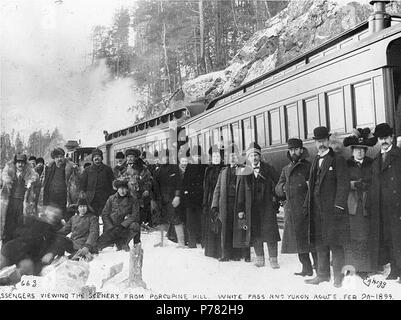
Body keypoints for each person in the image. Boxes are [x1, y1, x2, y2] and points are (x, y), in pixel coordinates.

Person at [304, 126, 350, 288]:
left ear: (328, 140)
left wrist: (339, 206)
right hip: (317, 210)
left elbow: (344, 185)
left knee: (335, 244)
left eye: (323, 141)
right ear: (315, 143)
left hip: (332, 211)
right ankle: (322, 275)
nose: (321, 144)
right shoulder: (315, 160)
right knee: (320, 243)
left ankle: (339, 277)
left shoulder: (338, 160)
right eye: (318, 141)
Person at [275, 138, 317, 276]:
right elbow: (277, 188)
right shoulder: (286, 169)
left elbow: (314, 186)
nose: (293, 152)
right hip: (292, 210)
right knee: (299, 242)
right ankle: (306, 268)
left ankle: (318, 267)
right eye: (291, 150)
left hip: (307, 209)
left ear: (301, 150)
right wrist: (284, 189)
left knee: (311, 241)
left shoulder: (309, 166)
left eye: (296, 149)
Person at [235, 142, 280, 268]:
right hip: (251, 207)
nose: (254, 158)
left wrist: (275, 199)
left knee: (271, 233)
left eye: (256, 155)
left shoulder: (268, 168)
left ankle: (273, 259)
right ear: (248, 157)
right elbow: (241, 191)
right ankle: (260, 258)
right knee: (255, 233)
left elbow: (278, 183)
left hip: (267, 206)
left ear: (260, 156)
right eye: (251, 156)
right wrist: (240, 208)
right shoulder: (244, 170)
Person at [368, 123, 401, 283]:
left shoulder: (398, 156)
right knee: (389, 239)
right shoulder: (376, 160)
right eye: (381, 138)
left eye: (386, 138)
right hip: (382, 207)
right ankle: (394, 269)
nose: (384, 141)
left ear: (392, 137)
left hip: (397, 206)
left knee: (398, 238)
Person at [342, 128, 377, 278]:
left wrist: (367, 186)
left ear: (366, 151)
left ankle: (364, 268)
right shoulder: (346, 164)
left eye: (362, 149)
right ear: (352, 150)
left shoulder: (372, 163)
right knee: (352, 237)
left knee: (365, 237)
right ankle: (351, 266)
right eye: (357, 149)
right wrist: (353, 184)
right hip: (352, 205)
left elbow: (377, 181)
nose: (360, 152)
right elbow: (342, 183)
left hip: (367, 205)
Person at [0, 206, 63, 286]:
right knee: (3, 261)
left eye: (56, 215)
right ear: (45, 213)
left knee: (28, 268)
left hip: (28, 257)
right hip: (15, 249)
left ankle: (7, 280)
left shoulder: (54, 232)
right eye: (51, 213)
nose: (53, 216)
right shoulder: (32, 221)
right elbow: (17, 232)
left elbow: (58, 243)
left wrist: (51, 252)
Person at [212, 143, 250, 262]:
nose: (232, 158)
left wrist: (242, 206)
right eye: (229, 155)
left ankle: (241, 254)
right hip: (225, 204)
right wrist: (215, 205)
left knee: (240, 228)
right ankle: (226, 254)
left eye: (234, 155)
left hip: (238, 203)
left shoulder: (243, 170)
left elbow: (247, 189)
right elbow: (217, 189)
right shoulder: (223, 172)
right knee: (226, 229)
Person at [1, 153, 39, 244]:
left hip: (23, 204)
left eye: (22, 162)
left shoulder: (29, 175)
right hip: (10, 203)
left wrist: (30, 184)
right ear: (15, 163)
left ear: (25, 164)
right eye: (18, 162)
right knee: (8, 225)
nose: (20, 165)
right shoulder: (9, 174)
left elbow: (36, 185)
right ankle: (6, 248)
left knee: (20, 225)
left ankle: (17, 249)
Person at [97, 180, 140, 252]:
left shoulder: (133, 200)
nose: (122, 191)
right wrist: (110, 226)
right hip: (112, 228)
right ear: (117, 189)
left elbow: (135, 215)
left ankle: (124, 242)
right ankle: (116, 242)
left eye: (124, 188)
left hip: (124, 228)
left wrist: (123, 225)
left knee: (135, 225)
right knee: (97, 245)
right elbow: (105, 214)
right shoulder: (111, 199)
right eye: (120, 189)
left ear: (127, 189)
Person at [153, 148, 184, 247]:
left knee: (176, 218)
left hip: (172, 198)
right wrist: (154, 199)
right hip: (161, 198)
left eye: (167, 156)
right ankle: (162, 242)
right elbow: (155, 186)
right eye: (162, 157)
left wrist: (177, 196)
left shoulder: (175, 168)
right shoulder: (158, 171)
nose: (165, 158)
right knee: (161, 219)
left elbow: (179, 184)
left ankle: (181, 243)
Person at [118, 149, 153, 225]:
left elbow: (148, 180)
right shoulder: (122, 168)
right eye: (128, 157)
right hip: (125, 192)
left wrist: (146, 189)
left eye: (132, 157)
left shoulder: (142, 168)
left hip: (138, 192)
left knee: (137, 208)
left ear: (136, 158)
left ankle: (139, 223)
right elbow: (118, 180)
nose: (130, 159)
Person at [182, 145, 207, 248]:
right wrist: (186, 193)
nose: (197, 158)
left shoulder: (205, 167)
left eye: (198, 156)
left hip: (201, 198)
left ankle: (202, 241)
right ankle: (192, 241)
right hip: (191, 199)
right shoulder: (189, 167)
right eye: (195, 156)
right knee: (191, 221)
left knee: (201, 220)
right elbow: (185, 183)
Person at [41, 148, 75, 220]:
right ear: (54, 158)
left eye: (61, 156)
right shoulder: (48, 168)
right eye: (57, 157)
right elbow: (43, 182)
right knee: (51, 219)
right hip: (51, 198)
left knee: (64, 219)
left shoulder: (70, 168)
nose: (59, 159)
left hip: (65, 198)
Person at [203, 145, 225, 258]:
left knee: (220, 224)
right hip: (210, 198)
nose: (216, 158)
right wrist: (205, 203)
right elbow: (206, 187)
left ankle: (221, 251)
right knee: (211, 224)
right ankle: (212, 251)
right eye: (214, 156)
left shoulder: (224, 169)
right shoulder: (208, 169)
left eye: (218, 156)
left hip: (221, 199)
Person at [80, 149, 114, 217]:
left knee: (105, 217)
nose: (96, 158)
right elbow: (83, 184)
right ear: (92, 159)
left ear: (101, 158)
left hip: (104, 199)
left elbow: (112, 183)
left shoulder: (107, 169)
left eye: (98, 156)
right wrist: (83, 195)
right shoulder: (87, 170)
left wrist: (111, 196)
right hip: (91, 199)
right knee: (92, 217)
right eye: (95, 156)